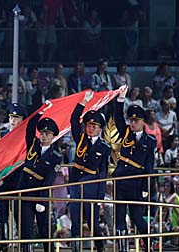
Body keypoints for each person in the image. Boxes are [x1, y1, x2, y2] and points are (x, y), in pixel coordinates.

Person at [112, 85, 156, 252]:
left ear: (143, 121)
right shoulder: (126, 133)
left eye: (136, 121)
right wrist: (120, 100)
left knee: (138, 219)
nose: (132, 123)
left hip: (137, 182)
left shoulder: (150, 141)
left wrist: (147, 187)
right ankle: (122, 249)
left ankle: (148, 244)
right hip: (121, 179)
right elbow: (117, 118)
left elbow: (149, 167)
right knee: (120, 218)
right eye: (131, 120)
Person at [16, 104, 62, 252]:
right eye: (42, 133)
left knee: (44, 229)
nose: (43, 136)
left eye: (47, 134)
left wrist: (41, 200)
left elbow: (48, 180)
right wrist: (40, 112)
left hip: (40, 194)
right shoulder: (33, 146)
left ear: (53, 137)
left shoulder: (55, 157)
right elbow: (30, 128)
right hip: (25, 192)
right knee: (26, 229)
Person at [69, 90, 110, 252]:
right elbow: (73, 120)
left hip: (92, 186)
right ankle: (75, 248)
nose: (90, 128)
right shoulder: (81, 139)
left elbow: (103, 173)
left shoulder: (104, 147)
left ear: (100, 129)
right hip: (75, 183)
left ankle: (99, 245)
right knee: (76, 220)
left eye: (94, 126)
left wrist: (100, 196)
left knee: (93, 222)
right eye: (88, 125)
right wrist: (82, 103)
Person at [0, 103, 27, 252]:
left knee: (19, 215)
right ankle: (3, 243)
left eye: (16, 117)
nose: (13, 120)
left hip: (19, 180)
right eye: (11, 117)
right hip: (4, 180)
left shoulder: (26, 136)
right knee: (1, 215)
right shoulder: (2, 135)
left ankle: (21, 244)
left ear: (22, 119)